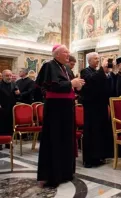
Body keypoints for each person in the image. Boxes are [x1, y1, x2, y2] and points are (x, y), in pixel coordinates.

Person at [36, 45, 85, 188]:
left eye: (69, 52)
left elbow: (69, 86)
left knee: (66, 139)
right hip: (55, 110)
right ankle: (52, 175)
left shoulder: (66, 68)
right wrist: (71, 83)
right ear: (56, 54)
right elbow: (50, 87)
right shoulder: (49, 66)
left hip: (67, 109)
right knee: (55, 139)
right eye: (65, 52)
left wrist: (77, 87)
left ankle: (65, 172)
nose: (68, 55)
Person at [80, 52, 113, 168]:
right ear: (89, 61)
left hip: (101, 106)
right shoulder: (85, 72)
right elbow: (91, 81)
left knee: (101, 132)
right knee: (91, 132)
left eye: (98, 59)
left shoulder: (99, 72)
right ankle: (89, 160)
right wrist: (102, 70)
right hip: (91, 107)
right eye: (95, 59)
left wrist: (107, 74)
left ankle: (99, 156)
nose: (97, 61)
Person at [0, 69, 20, 149]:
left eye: (10, 75)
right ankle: (0, 143)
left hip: (11, 108)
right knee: (1, 126)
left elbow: (18, 97)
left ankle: (9, 142)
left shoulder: (14, 84)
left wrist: (18, 94)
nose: (9, 77)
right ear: (3, 76)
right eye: (7, 76)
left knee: (10, 126)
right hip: (2, 109)